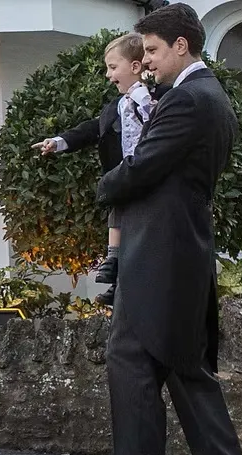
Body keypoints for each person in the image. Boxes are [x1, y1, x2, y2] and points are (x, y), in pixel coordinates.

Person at [78, 4, 242, 455]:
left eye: (153, 50)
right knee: (185, 368)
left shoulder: (188, 100)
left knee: (129, 360)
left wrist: (104, 183)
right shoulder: (210, 97)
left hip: (159, 253)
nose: (147, 61)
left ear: (182, 45)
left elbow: (139, 169)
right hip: (182, 251)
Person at [32, 32, 157, 307]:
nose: (108, 75)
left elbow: (158, 120)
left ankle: (124, 274)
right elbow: (91, 130)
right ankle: (115, 271)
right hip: (124, 176)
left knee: (140, 232)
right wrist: (58, 141)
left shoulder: (152, 96)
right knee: (117, 213)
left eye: (113, 68)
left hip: (151, 176)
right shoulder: (116, 106)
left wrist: (143, 93)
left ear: (135, 67)